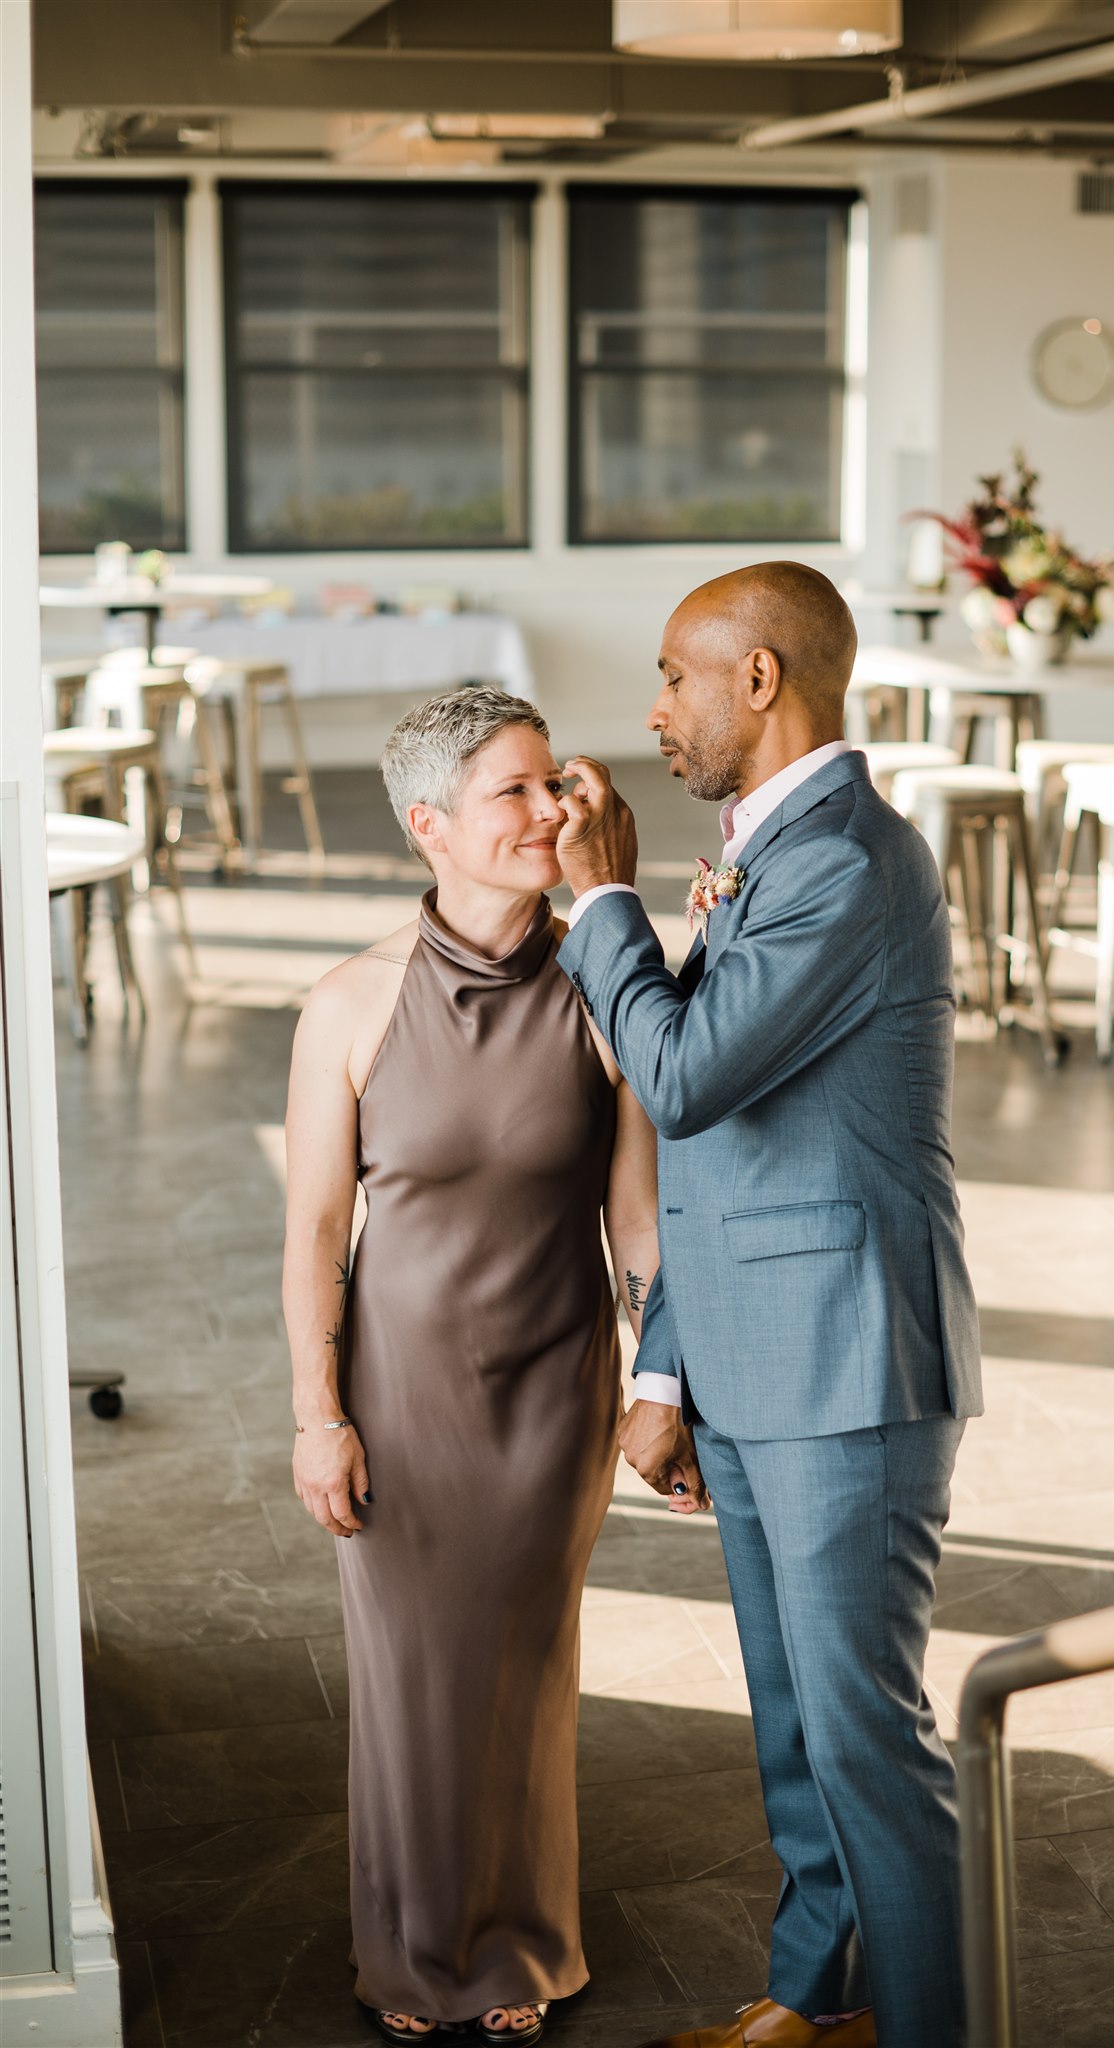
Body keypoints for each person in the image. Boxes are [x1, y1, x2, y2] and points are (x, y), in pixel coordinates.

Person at [553, 562, 983, 2048]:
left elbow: (676, 1075)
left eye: (677, 674)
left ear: (759, 681)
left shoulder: (850, 865)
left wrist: (599, 896)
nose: (656, 707)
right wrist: (668, 1371)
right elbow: (712, 1147)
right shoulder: (773, 851)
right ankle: (821, 2002)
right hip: (749, 1356)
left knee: (869, 1745)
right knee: (799, 1733)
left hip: (849, 1368)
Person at [282, 689, 664, 2046]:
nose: (552, 810)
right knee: (409, 1678)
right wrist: (317, 1415)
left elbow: (637, 1216)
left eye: (553, 784)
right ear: (427, 825)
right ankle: (411, 1951)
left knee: (525, 1668)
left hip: (552, 1389)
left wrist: (658, 1380)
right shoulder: (349, 1002)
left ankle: (520, 1945)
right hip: (400, 1393)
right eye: (514, 792)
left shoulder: (607, 986)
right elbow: (318, 1232)